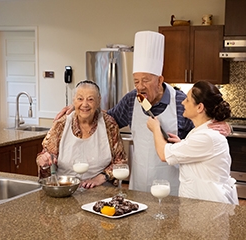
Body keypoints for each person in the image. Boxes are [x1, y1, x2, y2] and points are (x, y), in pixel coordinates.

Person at [55, 31, 231, 196]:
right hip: (138, 185)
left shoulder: (180, 102)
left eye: (146, 80)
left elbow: (202, 131)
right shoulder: (132, 99)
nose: (140, 86)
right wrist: (81, 108)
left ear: (160, 80)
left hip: (172, 187)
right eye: (136, 80)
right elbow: (107, 119)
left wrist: (224, 125)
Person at [147, 80, 238, 204]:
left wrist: (155, 128)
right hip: (199, 204)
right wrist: (182, 145)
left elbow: (163, 154)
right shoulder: (199, 132)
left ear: (200, 107)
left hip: (207, 207)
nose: (183, 102)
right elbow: (197, 156)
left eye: (188, 100)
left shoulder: (206, 137)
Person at [36, 80, 127, 189]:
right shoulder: (61, 124)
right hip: (65, 189)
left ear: (98, 102)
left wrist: (101, 177)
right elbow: (46, 156)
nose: (85, 104)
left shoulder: (109, 125)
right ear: (73, 101)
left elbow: (120, 162)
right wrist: (44, 161)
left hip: (100, 190)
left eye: (90, 99)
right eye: (80, 99)